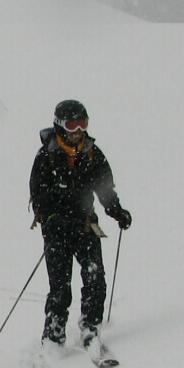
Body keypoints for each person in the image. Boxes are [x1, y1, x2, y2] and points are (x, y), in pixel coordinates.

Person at [29, 99, 131, 349]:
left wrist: (116, 211)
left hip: (85, 225)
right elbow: (38, 194)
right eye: (72, 125)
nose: (78, 131)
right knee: (60, 286)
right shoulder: (46, 155)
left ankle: (90, 326)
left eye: (82, 124)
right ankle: (54, 336)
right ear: (60, 125)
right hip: (56, 229)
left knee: (95, 277)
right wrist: (53, 214)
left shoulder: (92, 153)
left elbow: (104, 187)